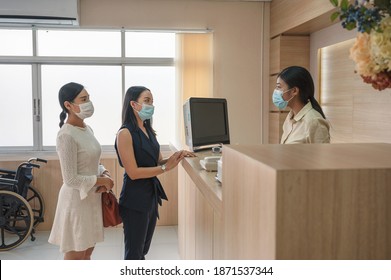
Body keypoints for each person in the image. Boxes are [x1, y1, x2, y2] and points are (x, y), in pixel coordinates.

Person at [115, 86, 195, 260]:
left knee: (143, 249)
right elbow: (133, 172)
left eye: (152, 101)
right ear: (133, 104)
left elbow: (158, 161)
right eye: (147, 101)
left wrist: (177, 156)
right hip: (134, 200)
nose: (151, 105)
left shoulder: (149, 130)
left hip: (150, 197)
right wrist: (166, 168)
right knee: (134, 254)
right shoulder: (125, 133)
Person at [48, 82, 114, 260]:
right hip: (76, 202)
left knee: (88, 252)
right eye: (83, 99)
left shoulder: (87, 129)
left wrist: (104, 173)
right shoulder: (66, 135)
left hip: (91, 198)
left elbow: (93, 162)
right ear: (68, 105)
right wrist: (101, 181)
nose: (88, 103)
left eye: (88, 98)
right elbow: (70, 179)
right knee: (77, 254)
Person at [272, 66, 331, 144]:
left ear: (294, 91)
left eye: (279, 87)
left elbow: (323, 155)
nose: (276, 91)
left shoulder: (314, 121)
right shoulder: (290, 117)